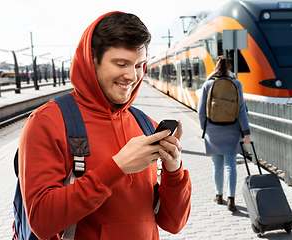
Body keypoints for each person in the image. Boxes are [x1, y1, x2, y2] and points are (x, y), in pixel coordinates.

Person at [18, 12, 191, 240]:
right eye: (121, 64)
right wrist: (117, 168)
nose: (132, 75)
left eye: (140, 65)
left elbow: (173, 223)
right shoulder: (48, 121)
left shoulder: (146, 124)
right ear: (92, 60)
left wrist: (174, 171)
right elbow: (41, 221)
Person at [197, 56, 251, 212]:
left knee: (217, 165)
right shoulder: (236, 84)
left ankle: (218, 195)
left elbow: (201, 112)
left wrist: (205, 129)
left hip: (213, 132)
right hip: (232, 130)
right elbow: (241, 111)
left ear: (215, 67)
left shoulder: (208, 85)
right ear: (229, 68)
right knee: (230, 165)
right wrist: (246, 132)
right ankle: (231, 200)